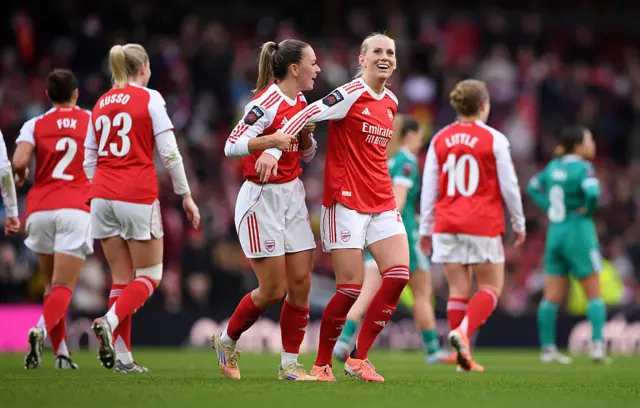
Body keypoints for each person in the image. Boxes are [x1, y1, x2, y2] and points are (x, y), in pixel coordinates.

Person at [256, 33, 409, 383]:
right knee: (351, 288)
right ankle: (322, 363)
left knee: (399, 275)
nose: (384, 57)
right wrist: (273, 149)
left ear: (395, 61)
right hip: (345, 202)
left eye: (390, 52)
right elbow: (308, 111)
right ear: (362, 59)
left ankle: (359, 357)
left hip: (381, 199)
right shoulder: (350, 93)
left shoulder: (391, 102)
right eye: (377, 52)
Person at [85, 43, 200, 372]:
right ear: (145, 67)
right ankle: (108, 321)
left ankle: (122, 358)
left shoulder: (101, 102)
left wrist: (99, 189)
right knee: (151, 275)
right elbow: (170, 152)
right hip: (135, 193)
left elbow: (88, 158)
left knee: (121, 277)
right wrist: (186, 195)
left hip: (102, 195)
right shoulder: (150, 98)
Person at [212, 39, 320, 381]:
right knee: (273, 290)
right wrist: (270, 141)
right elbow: (232, 144)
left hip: (293, 196)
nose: (317, 69)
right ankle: (226, 341)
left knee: (301, 282)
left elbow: (306, 155)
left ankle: (289, 365)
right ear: (294, 68)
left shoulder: (301, 101)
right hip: (261, 200)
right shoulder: (264, 102)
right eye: (312, 63)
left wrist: (305, 137)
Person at [419, 79, 526, 372]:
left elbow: (429, 187)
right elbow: (510, 186)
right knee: (491, 286)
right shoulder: (495, 139)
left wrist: (426, 229)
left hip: (446, 222)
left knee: (458, 289)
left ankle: (460, 356)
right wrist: (518, 221)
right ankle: (463, 334)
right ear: (483, 106)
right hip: (482, 222)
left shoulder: (440, 138)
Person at [332, 116, 451, 365]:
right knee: (422, 293)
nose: (421, 142)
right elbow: (399, 200)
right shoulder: (406, 160)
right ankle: (432, 351)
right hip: (402, 236)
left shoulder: (384, 160)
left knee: (366, 294)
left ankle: (343, 342)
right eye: (419, 137)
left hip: (373, 232)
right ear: (409, 135)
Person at [13, 69, 91, 370]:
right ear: (75, 94)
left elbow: (19, 161)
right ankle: (40, 331)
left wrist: (22, 176)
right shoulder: (89, 120)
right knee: (63, 287)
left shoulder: (36, 123)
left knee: (50, 286)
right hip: (75, 208)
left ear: (48, 95)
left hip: (40, 209)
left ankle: (61, 354)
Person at [527, 125, 610, 364]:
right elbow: (592, 193)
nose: (592, 144)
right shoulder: (583, 168)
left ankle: (548, 349)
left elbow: (533, 186)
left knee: (551, 296)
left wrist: (548, 207)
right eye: (590, 139)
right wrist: (589, 209)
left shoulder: (554, 166)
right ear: (579, 144)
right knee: (594, 292)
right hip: (578, 229)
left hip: (556, 232)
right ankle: (597, 346)